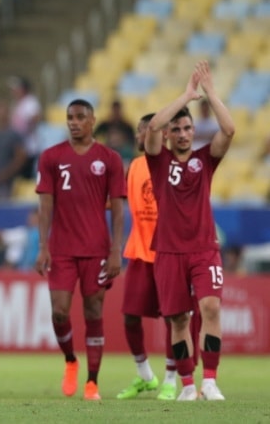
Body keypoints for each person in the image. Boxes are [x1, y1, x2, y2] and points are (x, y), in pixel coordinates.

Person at [144, 60, 235, 401]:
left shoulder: (205, 160)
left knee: (210, 308)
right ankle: (186, 385)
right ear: (170, 135)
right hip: (168, 251)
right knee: (178, 320)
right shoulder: (158, 161)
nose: (182, 134)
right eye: (177, 129)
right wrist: (185, 96)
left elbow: (228, 131)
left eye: (187, 129)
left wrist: (210, 93)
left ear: (193, 132)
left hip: (203, 248)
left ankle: (209, 381)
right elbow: (153, 126)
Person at [34, 98, 126, 401]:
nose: (73, 122)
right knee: (59, 312)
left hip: (96, 250)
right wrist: (43, 246)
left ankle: (92, 382)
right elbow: (45, 205)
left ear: (92, 120)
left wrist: (116, 251)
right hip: (61, 249)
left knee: (93, 310)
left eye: (79, 117)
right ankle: (71, 361)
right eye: (69, 117)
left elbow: (119, 209)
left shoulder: (110, 159)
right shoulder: (51, 157)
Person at [117, 113, 182, 401]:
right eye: (137, 132)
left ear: (160, 134)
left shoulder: (173, 165)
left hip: (169, 253)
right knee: (130, 317)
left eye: (143, 131)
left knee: (173, 319)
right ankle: (145, 375)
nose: (138, 137)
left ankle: (171, 379)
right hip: (139, 252)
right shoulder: (134, 166)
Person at [7, 75, 41, 179]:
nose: (13, 91)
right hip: (18, 146)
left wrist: (24, 127)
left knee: (25, 177)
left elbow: (36, 118)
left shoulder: (31, 102)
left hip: (28, 147)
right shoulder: (17, 103)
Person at [94, 99, 136, 166]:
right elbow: (94, 136)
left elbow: (133, 141)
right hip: (109, 149)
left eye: (117, 110)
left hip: (123, 152)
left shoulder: (127, 126)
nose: (116, 113)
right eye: (114, 110)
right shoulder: (105, 124)